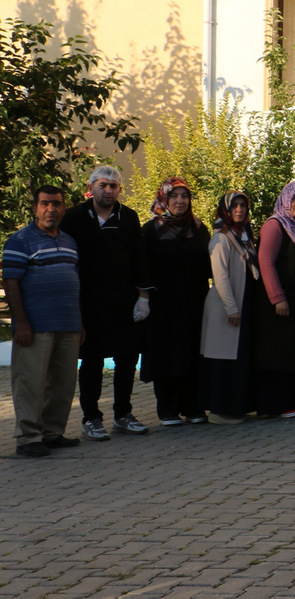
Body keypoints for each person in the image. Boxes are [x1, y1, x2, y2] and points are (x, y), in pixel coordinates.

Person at [60, 165, 152, 440]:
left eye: (113, 186)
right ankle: (91, 418)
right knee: (91, 361)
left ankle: (123, 414)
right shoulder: (74, 217)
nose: (108, 190)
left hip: (123, 300)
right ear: (92, 187)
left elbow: (139, 257)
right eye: (103, 185)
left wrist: (143, 297)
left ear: (120, 189)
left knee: (127, 358)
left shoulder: (129, 217)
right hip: (88, 301)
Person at [3, 186, 83, 457]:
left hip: (68, 323)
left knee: (63, 384)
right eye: (45, 204)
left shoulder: (70, 241)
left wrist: (80, 322)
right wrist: (21, 323)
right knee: (30, 384)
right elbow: (11, 284)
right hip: (35, 326)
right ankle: (28, 438)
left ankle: (52, 433)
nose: (51, 209)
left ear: (63, 207)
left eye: (57, 204)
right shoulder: (19, 241)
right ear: (35, 208)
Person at [139, 178, 212, 425]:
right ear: (164, 199)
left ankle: (193, 407)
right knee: (167, 355)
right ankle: (168, 409)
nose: (180, 201)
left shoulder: (199, 229)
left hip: (194, 304)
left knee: (193, 353)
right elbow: (142, 268)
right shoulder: (150, 231)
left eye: (185, 196)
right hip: (163, 306)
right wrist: (143, 298)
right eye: (174, 196)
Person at [254, 180, 295, 418]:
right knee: (278, 352)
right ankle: (279, 404)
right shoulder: (274, 225)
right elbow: (266, 262)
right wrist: (278, 298)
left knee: (293, 351)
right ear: (285, 200)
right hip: (276, 302)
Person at [199, 192, 256, 424]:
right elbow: (220, 275)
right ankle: (219, 412)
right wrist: (231, 307)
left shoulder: (243, 235)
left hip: (241, 306)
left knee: (236, 359)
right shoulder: (221, 238)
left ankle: (234, 408)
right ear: (226, 209)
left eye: (243, 205)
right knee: (223, 359)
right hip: (225, 308)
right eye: (234, 206)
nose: (240, 210)